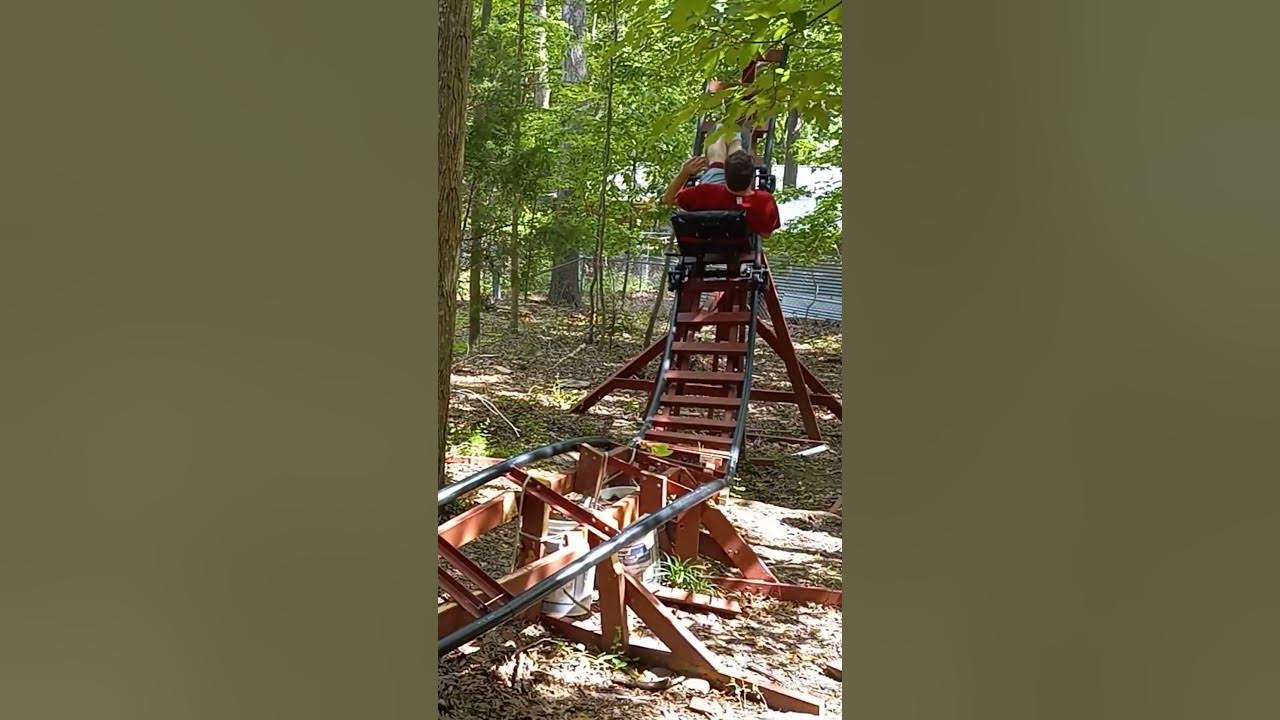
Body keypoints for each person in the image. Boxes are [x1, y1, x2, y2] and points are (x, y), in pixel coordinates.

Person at [661, 126, 780, 238]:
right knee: (736, 152)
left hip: (708, 237)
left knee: (718, 156)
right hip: (738, 245)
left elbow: (668, 199)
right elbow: (766, 234)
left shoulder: (704, 193)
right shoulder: (764, 201)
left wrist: (684, 173)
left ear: (725, 173)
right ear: (752, 176)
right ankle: (734, 131)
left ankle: (726, 127)